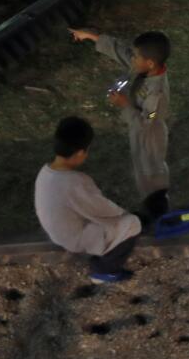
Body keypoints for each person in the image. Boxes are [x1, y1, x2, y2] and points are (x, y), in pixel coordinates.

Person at [69, 27, 172, 221]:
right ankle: (150, 203)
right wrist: (91, 36)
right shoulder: (145, 67)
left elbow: (147, 122)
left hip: (150, 134)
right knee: (141, 170)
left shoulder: (156, 93)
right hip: (139, 129)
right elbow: (121, 51)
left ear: (150, 63)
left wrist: (125, 105)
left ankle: (158, 209)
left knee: (151, 170)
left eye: (136, 57)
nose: (132, 59)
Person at [34, 116, 142, 283]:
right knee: (133, 223)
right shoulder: (73, 182)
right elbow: (101, 208)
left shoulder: (46, 172)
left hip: (57, 231)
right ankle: (104, 271)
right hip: (74, 237)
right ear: (80, 153)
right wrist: (124, 214)